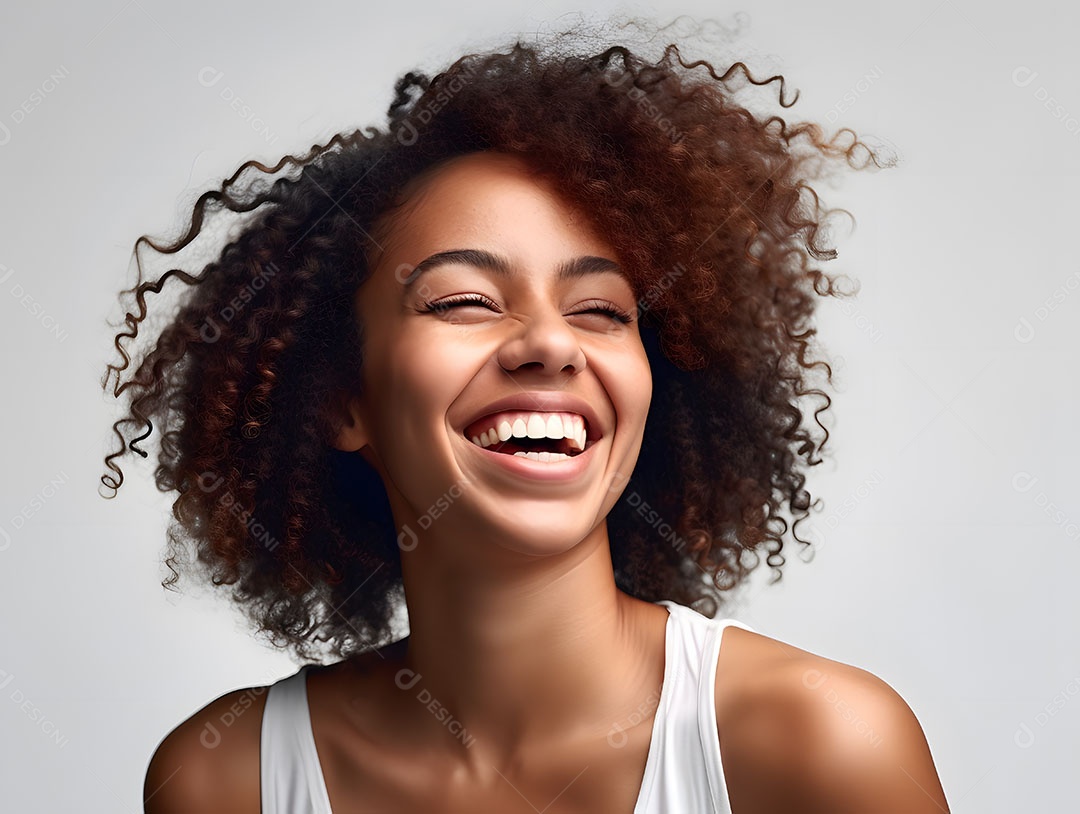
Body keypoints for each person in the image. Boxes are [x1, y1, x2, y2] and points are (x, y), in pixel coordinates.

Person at [103, 16, 950, 813]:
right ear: (340, 400)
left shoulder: (820, 747)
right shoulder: (226, 779)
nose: (550, 342)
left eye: (602, 311)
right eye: (465, 301)